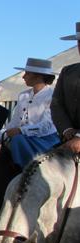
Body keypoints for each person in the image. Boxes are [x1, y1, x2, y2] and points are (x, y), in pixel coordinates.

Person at [0, 58, 59, 168]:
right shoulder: (23, 95)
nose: (23, 76)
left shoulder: (53, 96)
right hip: (21, 139)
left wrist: (21, 130)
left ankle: (27, 173)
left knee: (17, 140)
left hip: (45, 141)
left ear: (38, 76)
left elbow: (47, 125)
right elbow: (14, 122)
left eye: (27, 73)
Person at [52, 22, 80, 153]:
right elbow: (56, 104)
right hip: (67, 139)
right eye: (79, 42)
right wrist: (66, 129)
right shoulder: (67, 71)